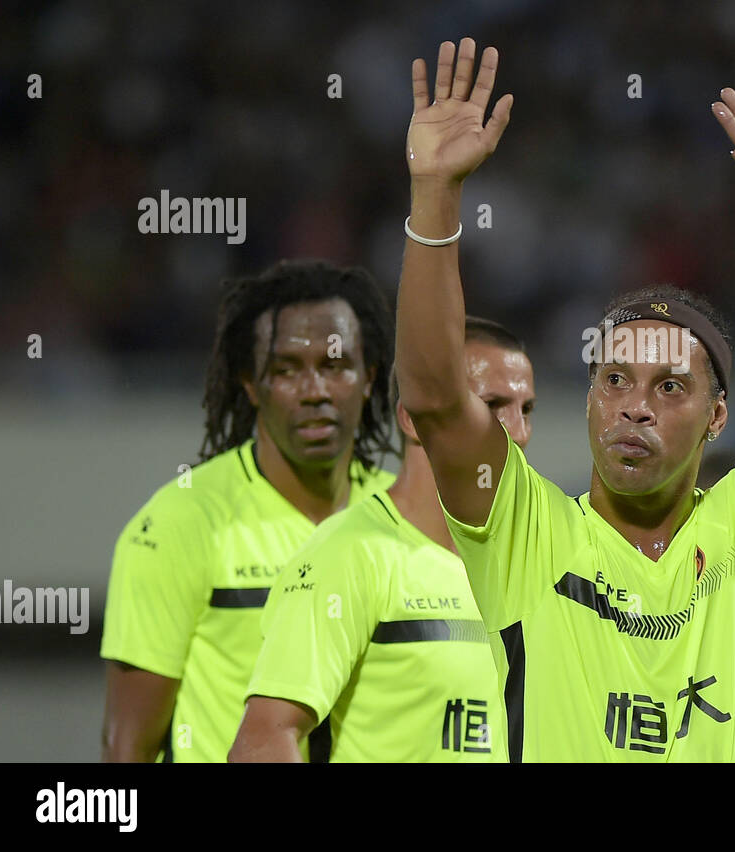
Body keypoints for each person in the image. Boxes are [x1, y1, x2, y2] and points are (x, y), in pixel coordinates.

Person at [394, 38, 735, 761]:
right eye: (615, 379)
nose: (635, 407)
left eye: (669, 388)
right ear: (592, 395)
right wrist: (434, 194)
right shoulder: (522, 528)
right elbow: (438, 396)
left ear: (716, 418)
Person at [99, 260, 396, 762]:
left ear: (368, 378)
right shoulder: (179, 523)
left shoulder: (405, 516)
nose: (316, 392)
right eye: (286, 370)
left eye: (335, 366)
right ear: (251, 385)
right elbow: (126, 748)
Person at [229, 317, 535, 762]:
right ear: (412, 419)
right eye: (492, 405)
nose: (520, 433)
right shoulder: (350, 553)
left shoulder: (531, 564)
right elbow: (260, 743)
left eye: (527, 410)